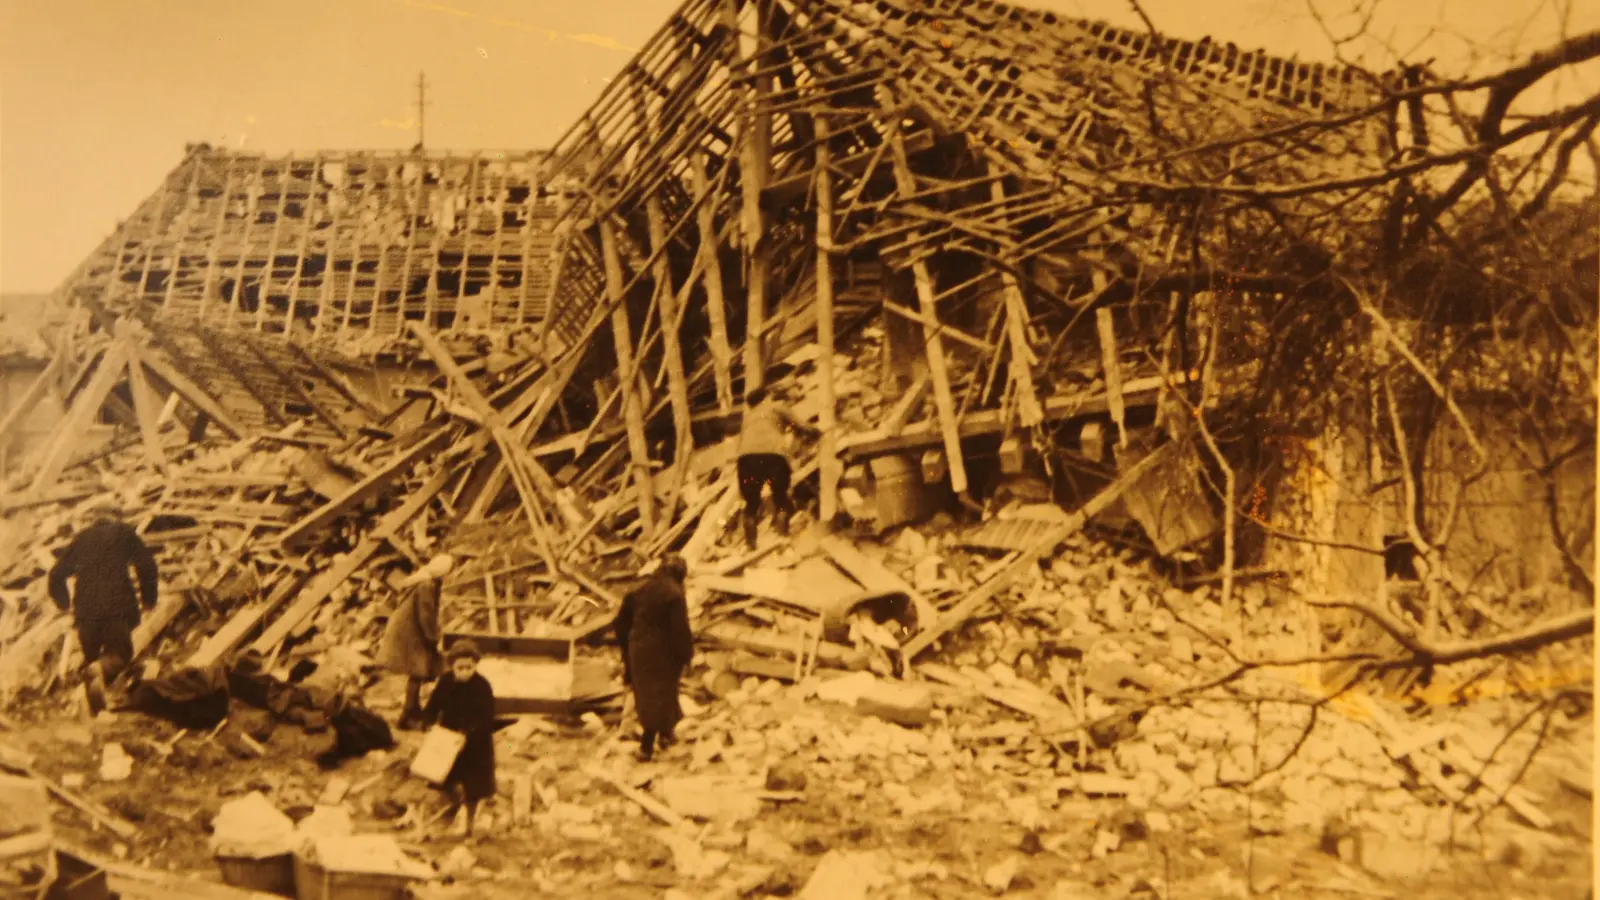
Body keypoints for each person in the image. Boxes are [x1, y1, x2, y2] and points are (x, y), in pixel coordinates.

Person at [48, 500, 159, 691]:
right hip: (117, 611)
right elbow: (147, 567)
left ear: (94, 519)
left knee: (93, 660)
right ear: (117, 517)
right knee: (120, 656)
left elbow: (56, 575)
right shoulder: (124, 533)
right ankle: (99, 671)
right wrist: (148, 601)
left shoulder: (81, 539)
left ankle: (97, 705)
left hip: (85, 616)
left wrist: (65, 605)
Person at [613, 554, 693, 762]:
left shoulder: (640, 588)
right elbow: (680, 630)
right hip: (661, 651)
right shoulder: (674, 594)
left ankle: (666, 735)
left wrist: (627, 648)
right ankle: (646, 747)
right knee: (661, 694)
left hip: (638, 648)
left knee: (647, 694)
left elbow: (620, 623)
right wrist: (685, 655)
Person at [421, 638, 496, 839]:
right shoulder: (445, 682)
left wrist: (468, 736)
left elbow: (487, 719)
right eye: (460, 667)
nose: (465, 672)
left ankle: (470, 828)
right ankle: (446, 818)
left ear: (475, 665)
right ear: (452, 665)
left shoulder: (482, 687)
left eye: (469, 667)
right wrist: (429, 726)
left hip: (475, 744)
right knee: (442, 779)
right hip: (448, 740)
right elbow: (432, 707)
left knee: (474, 788)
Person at [376, 554, 452, 730]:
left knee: (417, 670)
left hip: (408, 626)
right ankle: (407, 714)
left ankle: (413, 710)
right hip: (410, 629)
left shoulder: (425, 579)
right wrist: (433, 637)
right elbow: (425, 614)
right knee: (417, 670)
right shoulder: (427, 585)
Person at [735, 384, 815, 548]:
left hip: (746, 459)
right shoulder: (776, 407)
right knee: (780, 498)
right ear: (766, 397)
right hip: (773, 456)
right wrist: (816, 432)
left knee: (751, 504)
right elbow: (800, 425)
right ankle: (783, 538)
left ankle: (751, 544)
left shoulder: (747, 418)